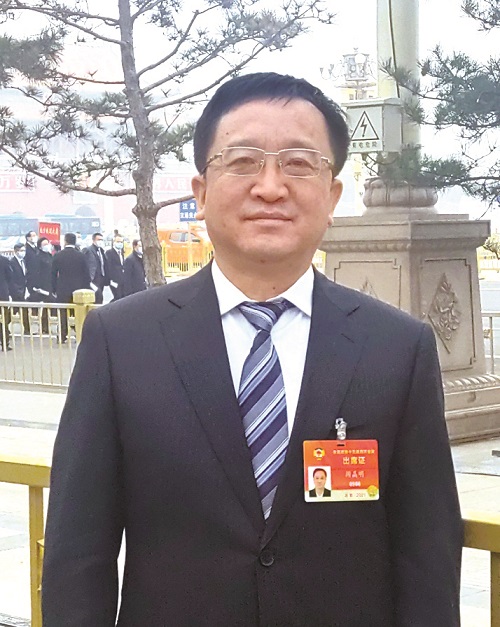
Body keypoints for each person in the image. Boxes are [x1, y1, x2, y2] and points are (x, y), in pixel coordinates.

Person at [43, 72, 462, 626]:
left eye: (298, 163)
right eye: (242, 162)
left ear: (332, 195)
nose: (270, 187)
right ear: (201, 192)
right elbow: (78, 554)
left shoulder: (397, 348)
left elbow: (427, 554)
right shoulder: (120, 341)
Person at [51, 232, 90, 343]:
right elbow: (86, 275)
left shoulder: (58, 255)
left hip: (62, 289)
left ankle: (62, 335)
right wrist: (85, 288)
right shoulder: (81, 256)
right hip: (78, 290)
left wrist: (54, 289)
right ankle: (79, 335)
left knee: (62, 313)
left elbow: (53, 274)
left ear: (65, 241)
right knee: (78, 313)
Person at [31, 237, 54, 334]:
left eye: (47, 243)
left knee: (48, 305)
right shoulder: (38, 256)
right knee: (45, 305)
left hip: (50, 283)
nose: (47, 246)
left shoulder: (49, 255)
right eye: (44, 244)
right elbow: (36, 272)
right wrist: (37, 286)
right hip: (42, 285)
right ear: (40, 246)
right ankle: (43, 326)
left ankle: (45, 326)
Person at [9, 243, 30, 333]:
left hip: (24, 290)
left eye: (24, 250)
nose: (23, 252)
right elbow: (11, 278)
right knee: (16, 309)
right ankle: (4, 326)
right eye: (21, 250)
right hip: (16, 290)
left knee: (21, 309)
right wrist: (16, 290)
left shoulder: (23, 261)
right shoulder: (12, 262)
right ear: (16, 251)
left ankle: (27, 329)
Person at [83, 232, 109, 304]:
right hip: (93, 279)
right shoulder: (88, 250)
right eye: (99, 240)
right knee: (96, 297)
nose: (100, 241)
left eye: (102, 240)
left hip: (101, 278)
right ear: (94, 240)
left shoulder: (102, 251)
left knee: (100, 298)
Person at [105, 234, 125, 301]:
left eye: (121, 242)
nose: (120, 243)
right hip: (114, 281)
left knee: (122, 297)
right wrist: (111, 280)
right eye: (118, 242)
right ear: (114, 242)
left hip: (122, 280)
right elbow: (108, 267)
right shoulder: (109, 253)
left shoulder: (121, 253)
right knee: (117, 297)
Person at [0, 253, 12, 350]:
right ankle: (5, 343)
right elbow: (10, 277)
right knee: (3, 320)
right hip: (2, 294)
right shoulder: (4, 260)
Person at [24, 229, 39, 301]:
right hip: (30, 275)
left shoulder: (36, 248)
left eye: (35, 235)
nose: (35, 237)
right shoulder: (25, 248)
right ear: (28, 238)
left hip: (37, 275)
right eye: (33, 236)